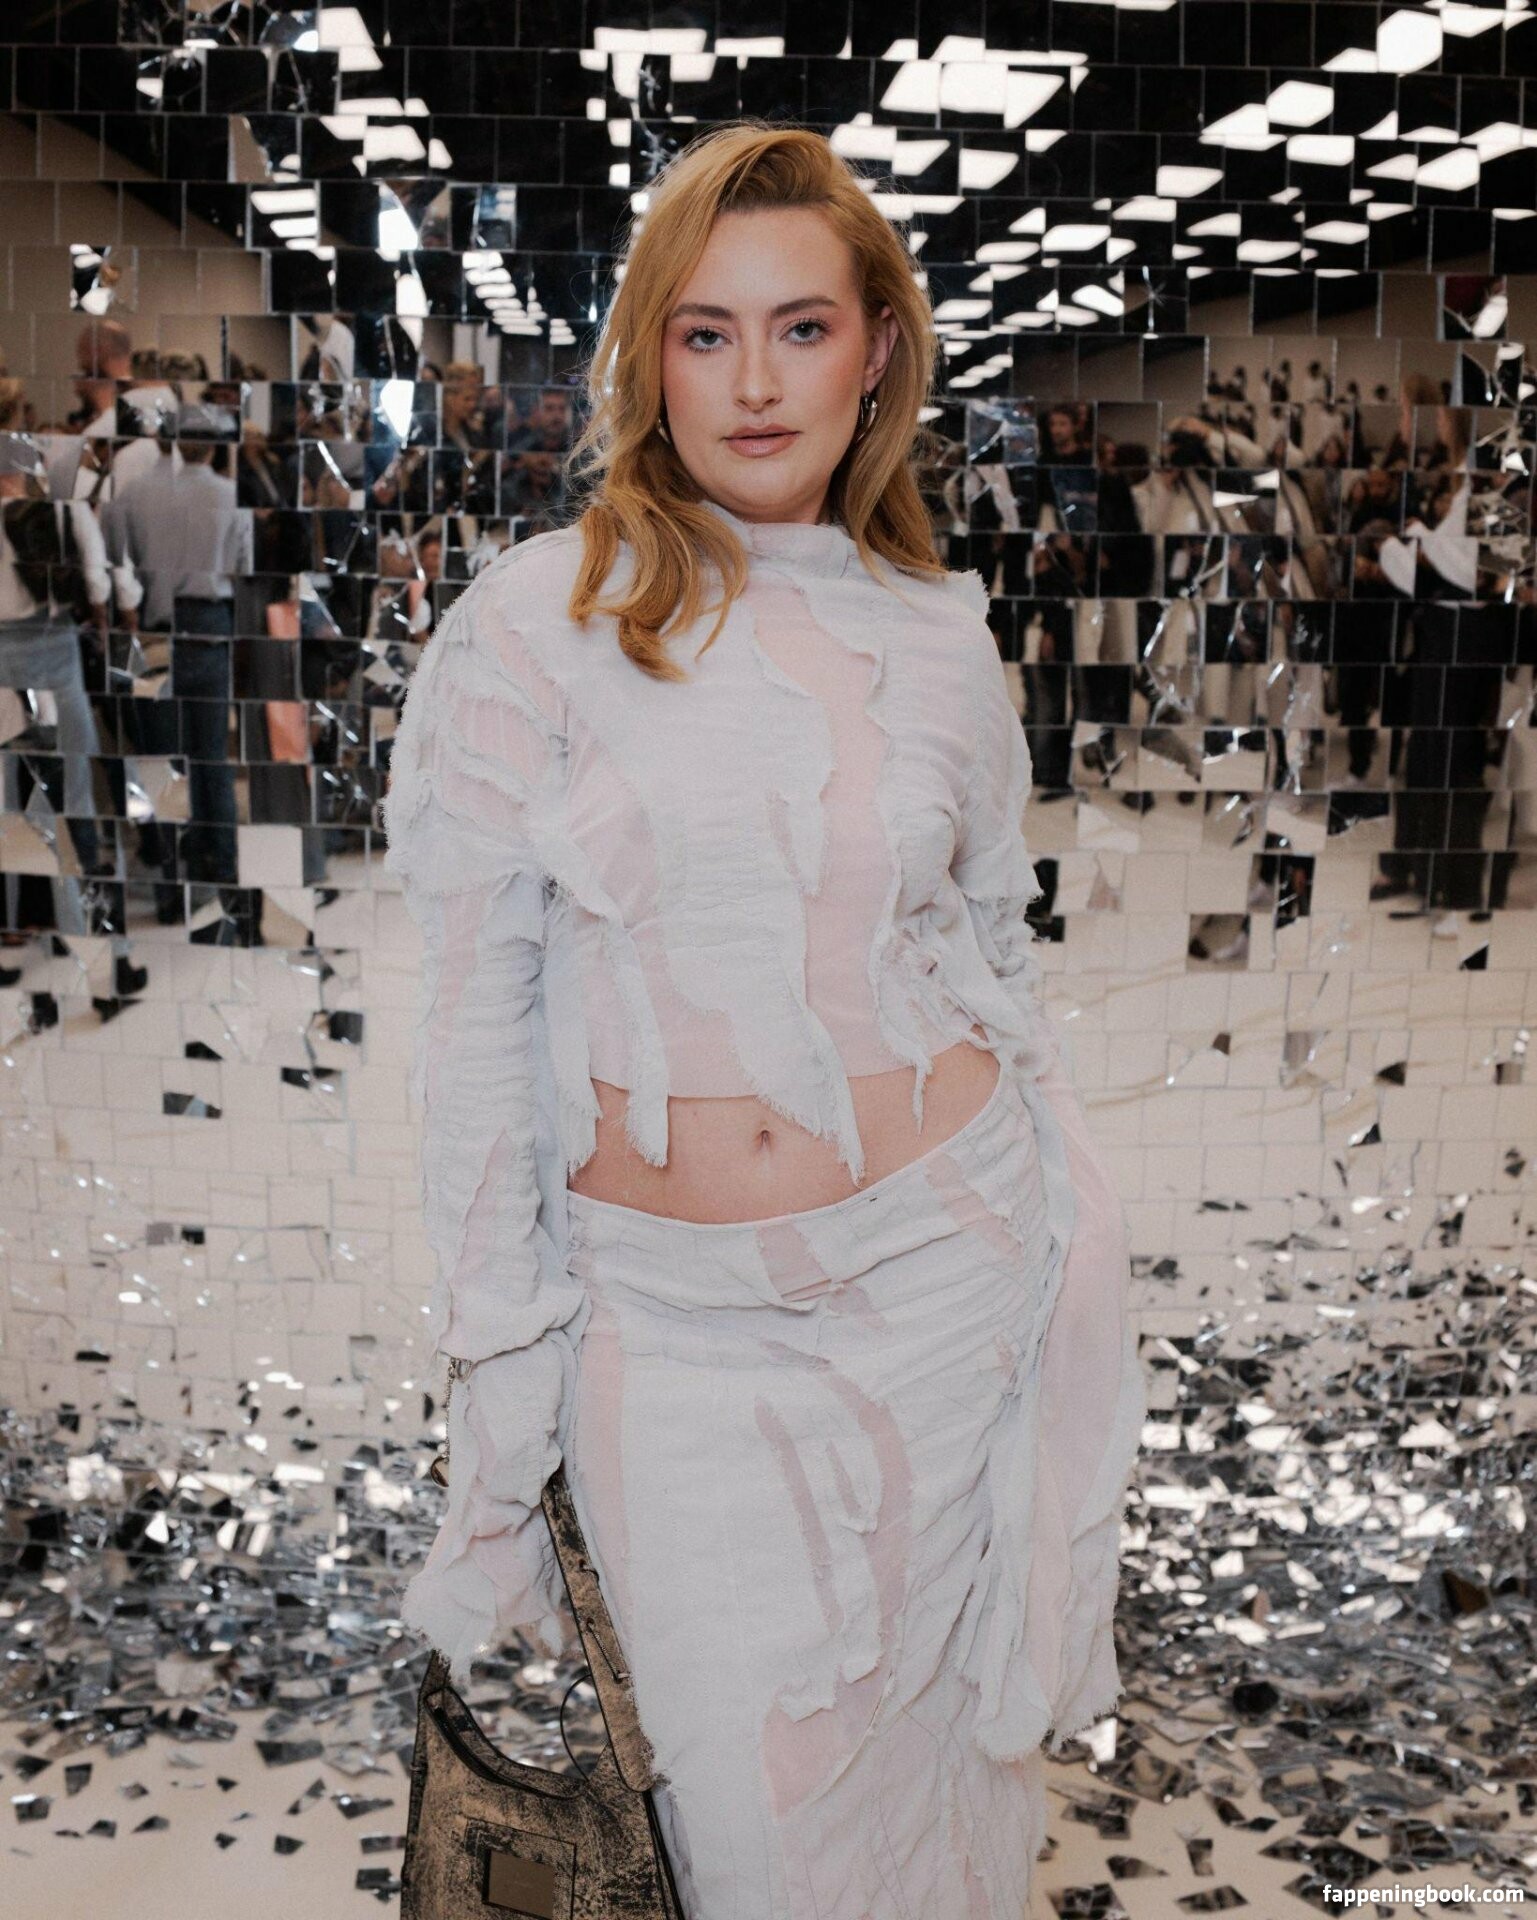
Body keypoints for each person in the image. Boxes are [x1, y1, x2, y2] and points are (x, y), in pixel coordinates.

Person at [381, 122, 1146, 1919]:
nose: (751, 382)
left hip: (950, 1287)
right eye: (704, 332)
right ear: (649, 356)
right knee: (741, 1835)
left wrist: (1062, 1226)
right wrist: (503, 1355)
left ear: (876, 351)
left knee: (942, 1814)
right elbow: (475, 1035)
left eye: (800, 329)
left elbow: (988, 949)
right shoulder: (538, 623)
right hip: (672, 1334)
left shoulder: (934, 633)